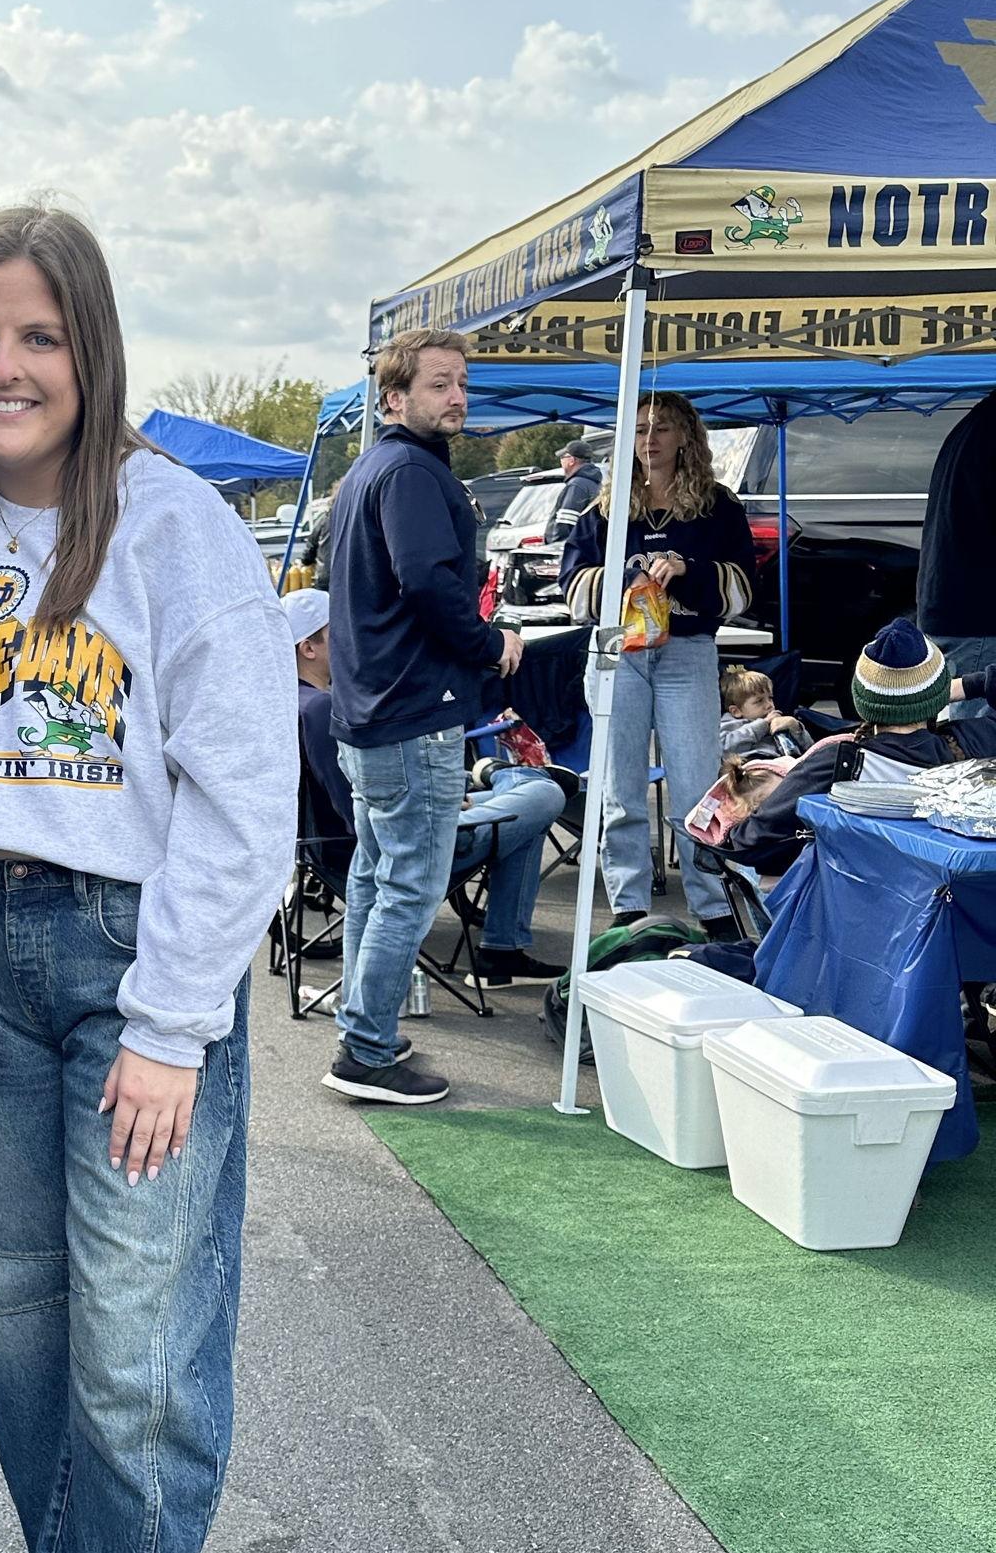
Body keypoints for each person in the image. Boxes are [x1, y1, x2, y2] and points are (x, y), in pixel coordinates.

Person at [0, 204, 296, 1553]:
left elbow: (246, 790)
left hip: (128, 957)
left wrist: (170, 1020)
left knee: (140, 1349)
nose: (6, 365)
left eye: (39, 335)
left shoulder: (172, 526)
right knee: (17, 1326)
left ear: (88, 352)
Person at [322, 327, 522, 1106]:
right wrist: (488, 644)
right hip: (410, 710)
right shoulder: (405, 470)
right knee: (406, 883)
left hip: (374, 711)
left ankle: (361, 1031)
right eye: (440, 383)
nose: (458, 396)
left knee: (377, 876)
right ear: (394, 397)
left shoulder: (373, 469)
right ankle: (366, 1047)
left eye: (462, 382)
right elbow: (426, 583)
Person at [290, 587, 566, 991]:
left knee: (530, 799)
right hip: (396, 846)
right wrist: (436, 804)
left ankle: (502, 952)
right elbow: (357, 809)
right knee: (545, 795)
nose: (352, 637)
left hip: (344, 845)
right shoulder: (320, 711)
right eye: (339, 632)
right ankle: (497, 776)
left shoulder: (297, 702)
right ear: (308, 648)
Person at [559, 393, 753, 938]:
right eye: (640, 428)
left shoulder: (718, 505)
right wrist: (624, 580)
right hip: (617, 651)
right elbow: (570, 585)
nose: (650, 439)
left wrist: (689, 570)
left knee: (695, 788)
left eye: (662, 428)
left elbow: (742, 587)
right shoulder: (606, 505)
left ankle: (714, 908)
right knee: (620, 789)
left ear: (686, 436)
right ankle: (628, 908)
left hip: (687, 652)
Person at [729, 622, 996, 875]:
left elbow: (752, 838)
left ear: (861, 699)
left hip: (859, 905)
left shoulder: (834, 762)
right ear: (938, 696)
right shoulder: (977, 741)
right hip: (955, 906)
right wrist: (970, 684)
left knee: (749, 870)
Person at [916, 389, 996, 720]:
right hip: (978, 619)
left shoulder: (977, 423)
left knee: (962, 735)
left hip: (956, 609)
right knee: (977, 755)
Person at [717, 665, 809, 759]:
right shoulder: (730, 723)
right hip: (751, 763)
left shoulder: (778, 721)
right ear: (736, 711)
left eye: (770, 698)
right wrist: (763, 724)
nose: (769, 705)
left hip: (786, 762)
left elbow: (809, 748)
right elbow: (724, 748)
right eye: (759, 701)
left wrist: (796, 728)